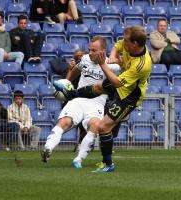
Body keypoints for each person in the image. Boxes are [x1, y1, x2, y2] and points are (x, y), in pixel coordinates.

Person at [54, 25, 152, 172]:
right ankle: (70, 94)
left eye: (126, 40)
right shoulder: (127, 44)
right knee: (98, 87)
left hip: (129, 96)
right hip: (122, 81)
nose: (123, 42)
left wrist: (103, 64)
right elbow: (117, 45)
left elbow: (117, 83)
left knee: (102, 126)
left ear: (135, 44)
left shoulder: (142, 65)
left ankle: (108, 165)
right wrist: (113, 55)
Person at [41, 36, 121, 169]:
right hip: (78, 99)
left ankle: (78, 160)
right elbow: (75, 70)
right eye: (89, 49)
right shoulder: (84, 59)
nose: (90, 53)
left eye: (94, 50)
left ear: (102, 51)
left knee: (95, 127)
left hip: (96, 104)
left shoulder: (113, 67)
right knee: (64, 122)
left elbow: (117, 84)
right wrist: (66, 82)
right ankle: (48, 148)